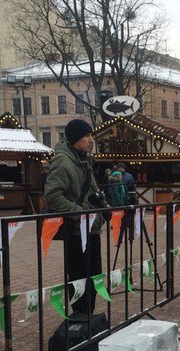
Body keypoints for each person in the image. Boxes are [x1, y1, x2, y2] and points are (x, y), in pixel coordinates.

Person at [44, 119, 105, 315]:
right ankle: (80, 319)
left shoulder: (83, 160)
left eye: (91, 135)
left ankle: (87, 318)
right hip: (77, 231)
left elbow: (92, 192)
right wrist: (80, 215)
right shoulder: (63, 161)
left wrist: (103, 211)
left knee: (94, 276)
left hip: (91, 228)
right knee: (80, 278)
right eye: (86, 136)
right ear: (74, 139)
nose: (91, 139)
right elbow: (52, 196)